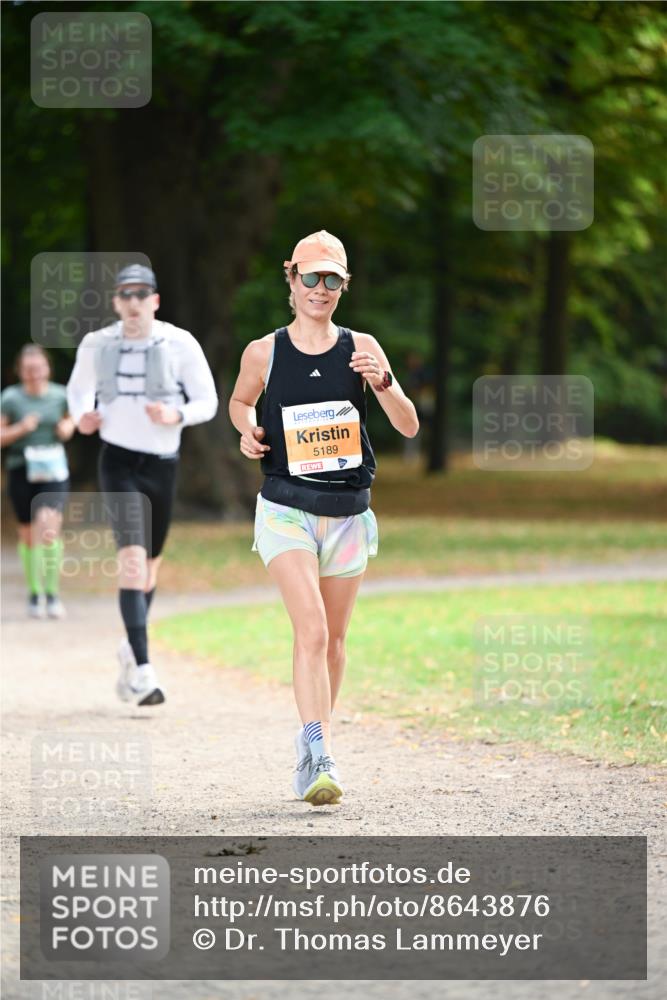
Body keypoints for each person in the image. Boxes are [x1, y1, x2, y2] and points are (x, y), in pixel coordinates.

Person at [229, 231, 419, 805]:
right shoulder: (265, 351)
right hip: (286, 508)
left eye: (331, 279)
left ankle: (314, 744)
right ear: (291, 281)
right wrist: (247, 433)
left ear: (343, 286)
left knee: (334, 641)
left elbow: (408, 425)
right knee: (310, 629)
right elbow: (240, 402)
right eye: (310, 277)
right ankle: (322, 755)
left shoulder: (363, 348)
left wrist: (381, 380)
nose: (320, 289)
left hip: (348, 513)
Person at [67, 264, 218, 706]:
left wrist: (178, 415)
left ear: (155, 300)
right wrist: (84, 418)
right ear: (116, 301)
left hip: (162, 463)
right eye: (124, 294)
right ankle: (144, 670)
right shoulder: (98, 344)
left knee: (150, 565)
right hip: (117, 461)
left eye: (141, 294)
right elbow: (78, 393)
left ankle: (129, 649)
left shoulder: (179, 342)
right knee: (132, 561)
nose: (133, 302)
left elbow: (207, 401)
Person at [1, 345, 74, 619]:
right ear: (20, 372)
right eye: (28, 370)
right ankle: (34, 593)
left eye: (39, 369)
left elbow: (73, 420)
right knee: (29, 535)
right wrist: (21, 428)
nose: (34, 375)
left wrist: (68, 428)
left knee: (49, 527)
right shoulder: (10, 398)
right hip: (22, 470)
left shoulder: (60, 395)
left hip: (54, 471)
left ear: (47, 369)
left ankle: (53, 593)